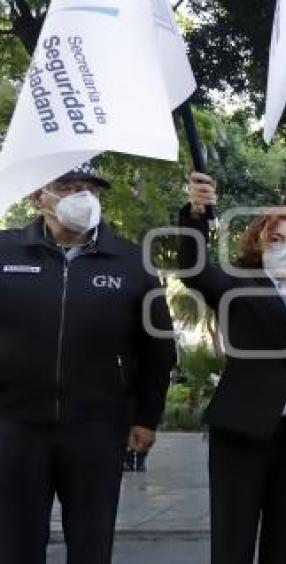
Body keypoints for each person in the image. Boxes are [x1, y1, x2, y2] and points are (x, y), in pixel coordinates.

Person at [0, 162, 177, 564]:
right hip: (15, 429)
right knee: (15, 545)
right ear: (37, 195)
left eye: (90, 188)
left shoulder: (132, 262)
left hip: (97, 429)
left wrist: (146, 417)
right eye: (67, 186)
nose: (82, 197)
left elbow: (158, 349)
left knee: (92, 544)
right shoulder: (5, 252)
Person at [181, 173, 286, 564]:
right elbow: (194, 270)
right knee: (233, 544)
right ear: (259, 243)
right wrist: (196, 216)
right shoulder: (237, 285)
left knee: (282, 545)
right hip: (241, 434)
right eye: (276, 239)